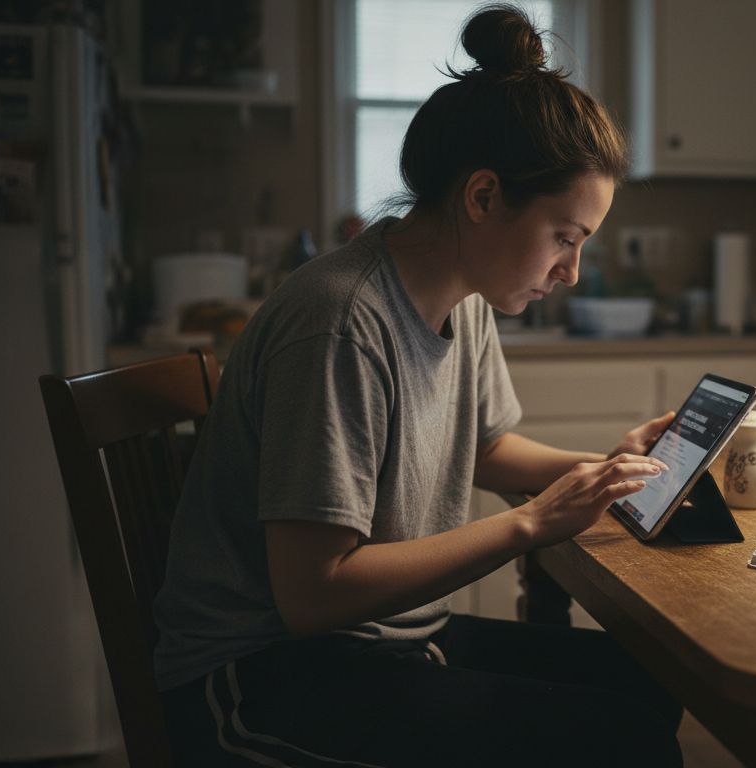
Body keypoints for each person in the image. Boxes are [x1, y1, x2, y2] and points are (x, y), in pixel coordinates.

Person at [153, 6, 684, 766]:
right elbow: (314, 594)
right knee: (623, 741)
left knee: (646, 683)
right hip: (260, 677)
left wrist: (598, 473)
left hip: (385, 646)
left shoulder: (462, 298)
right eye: (564, 238)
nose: (569, 271)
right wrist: (532, 525)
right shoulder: (340, 322)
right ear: (482, 197)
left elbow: (487, 447)